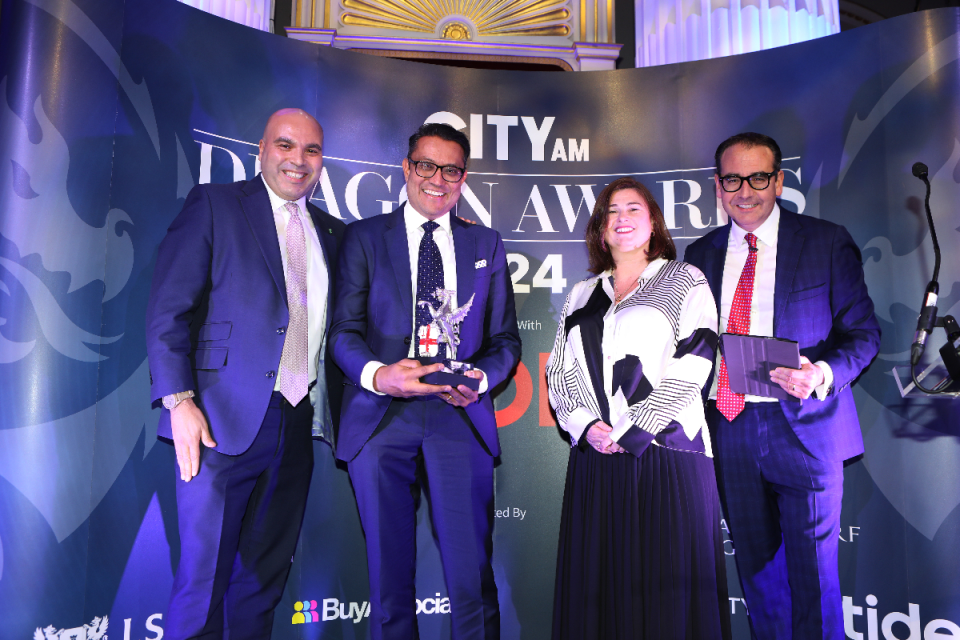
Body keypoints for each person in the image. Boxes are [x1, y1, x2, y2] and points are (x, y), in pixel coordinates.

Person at [145, 108, 345, 639]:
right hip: (216, 423)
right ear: (261, 149)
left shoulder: (332, 233)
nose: (297, 161)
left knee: (261, 585)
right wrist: (178, 402)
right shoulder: (216, 205)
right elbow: (169, 310)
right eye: (285, 146)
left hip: (298, 424)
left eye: (311, 151)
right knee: (202, 581)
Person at [683, 132, 881, 639]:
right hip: (729, 427)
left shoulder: (825, 240)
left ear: (778, 181)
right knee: (757, 574)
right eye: (732, 179)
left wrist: (821, 374)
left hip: (807, 429)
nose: (744, 191)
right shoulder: (699, 254)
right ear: (717, 184)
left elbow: (863, 334)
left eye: (757, 178)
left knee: (815, 577)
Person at [329, 122, 521, 640]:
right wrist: (379, 375)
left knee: (470, 579)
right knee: (388, 582)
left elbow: (506, 341)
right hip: (380, 416)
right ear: (407, 167)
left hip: (458, 415)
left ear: (464, 177)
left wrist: (481, 378)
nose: (437, 178)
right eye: (426, 165)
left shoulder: (486, 243)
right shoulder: (365, 237)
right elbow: (343, 331)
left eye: (451, 169)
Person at [545, 176, 731, 639]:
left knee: (667, 597)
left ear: (652, 224)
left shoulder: (684, 279)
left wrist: (635, 429)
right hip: (597, 460)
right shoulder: (581, 295)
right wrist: (587, 427)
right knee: (601, 596)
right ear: (600, 230)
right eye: (612, 211)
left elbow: (697, 358)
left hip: (667, 454)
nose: (622, 218)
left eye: (633, 209)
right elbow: (558, 373)